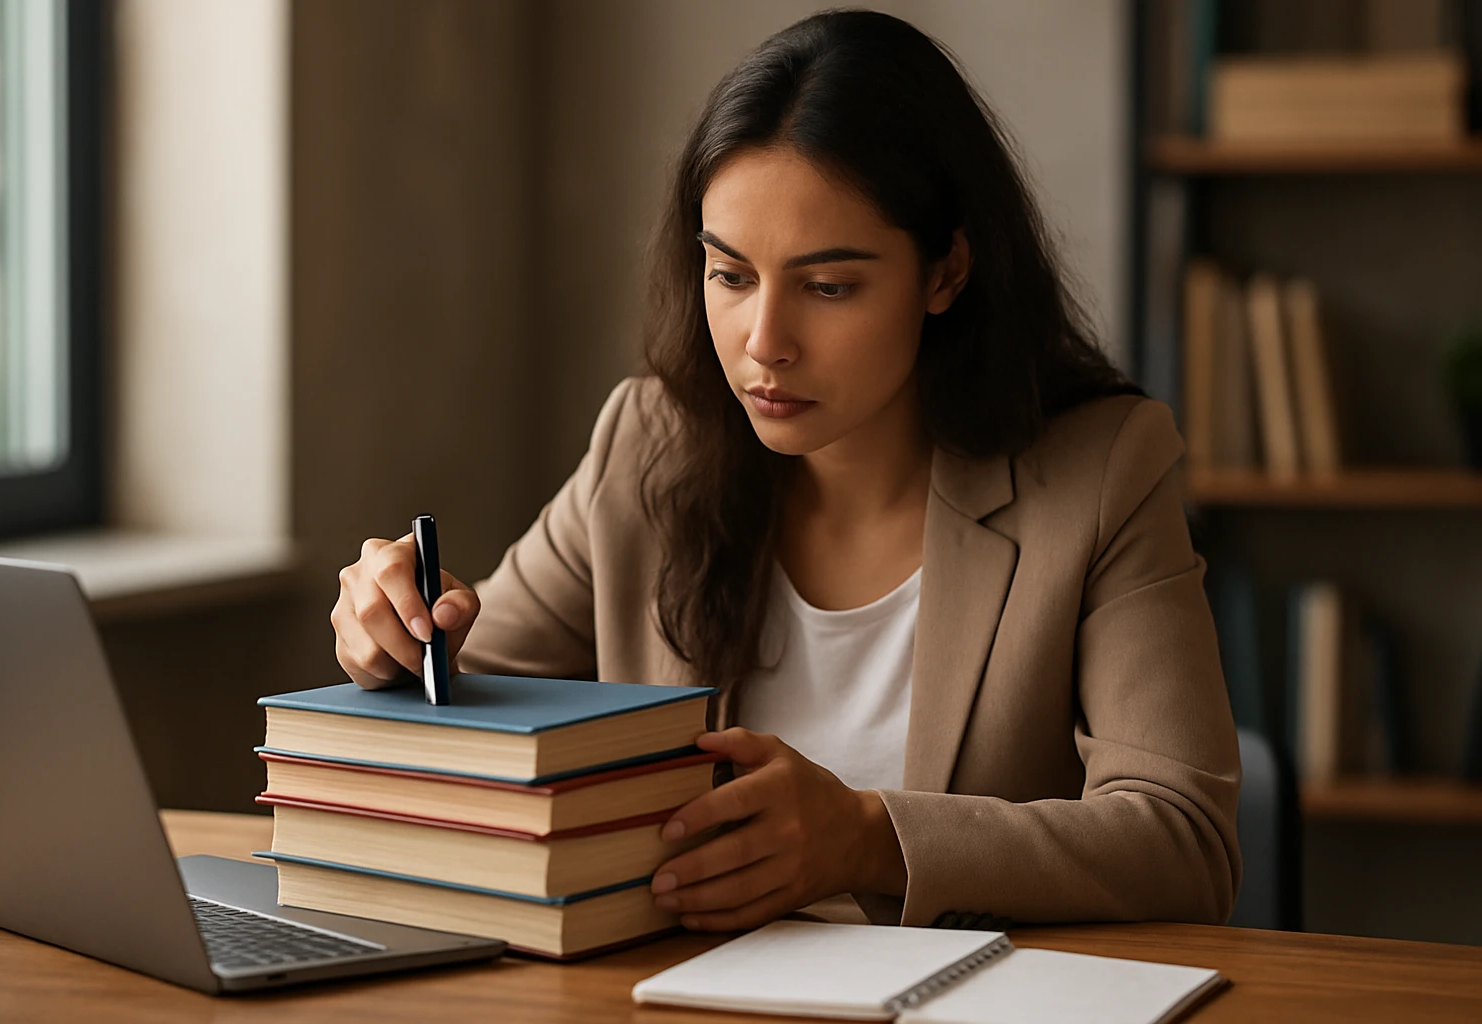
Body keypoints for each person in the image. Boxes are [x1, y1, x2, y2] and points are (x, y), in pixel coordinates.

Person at [331, 9, 1241, 934]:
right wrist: (393, 636)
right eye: (730, 276)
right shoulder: (650, 445)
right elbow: (465, 685)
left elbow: (1183, 841)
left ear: (947, 270)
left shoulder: (1099, 471)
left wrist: (866, 837)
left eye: (828, 286)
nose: (765, 346)